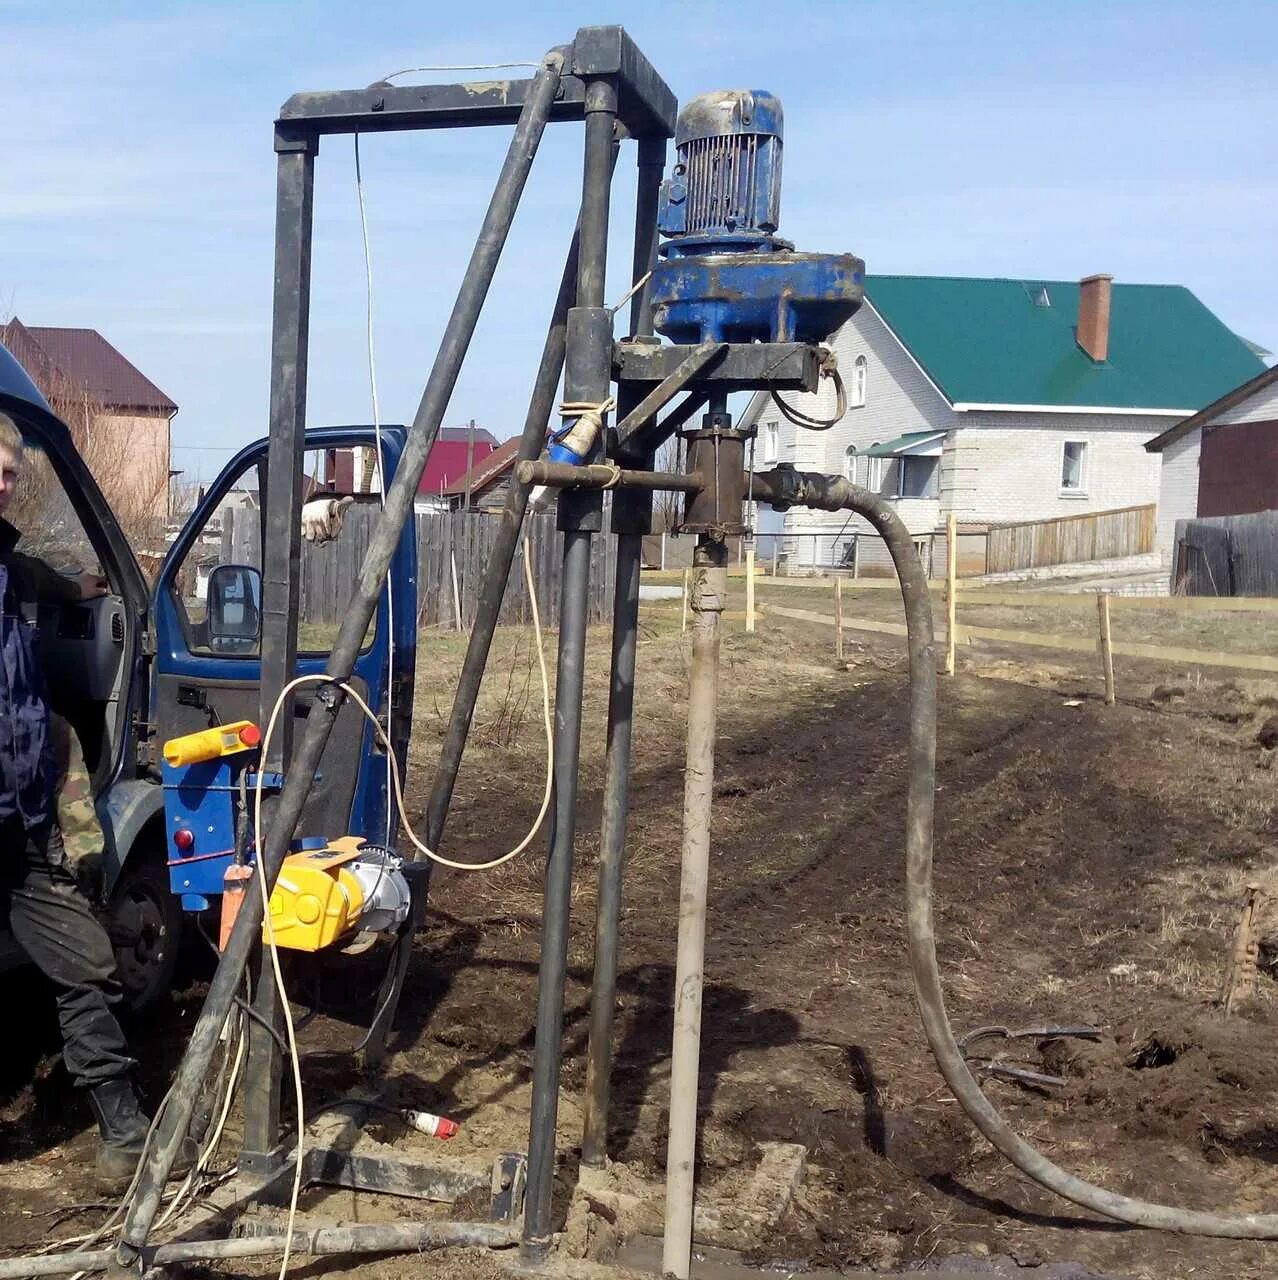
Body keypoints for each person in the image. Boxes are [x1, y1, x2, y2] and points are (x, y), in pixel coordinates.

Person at [0, 412, 152, 1187]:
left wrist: (81, 587)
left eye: (8, 474)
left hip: (19, 826)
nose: (3, 483)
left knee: (84, 963)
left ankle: (124, 1135)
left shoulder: (9, 571)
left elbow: (37, 581)